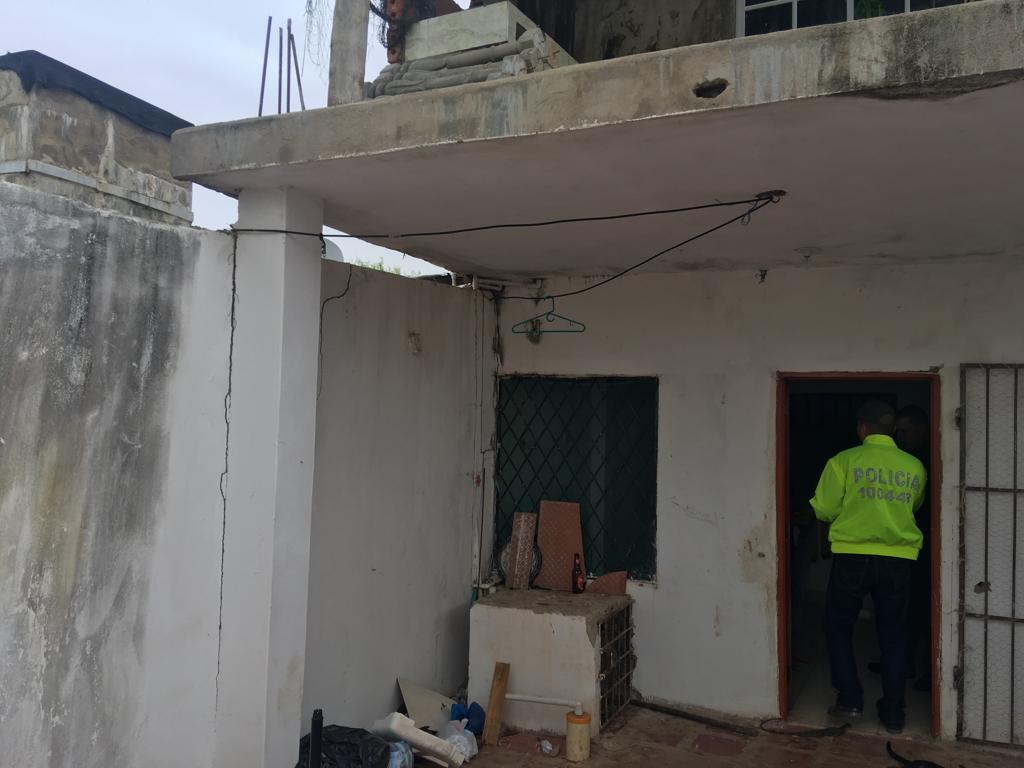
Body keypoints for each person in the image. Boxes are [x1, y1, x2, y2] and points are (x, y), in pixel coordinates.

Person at [809, 400, 926, 734]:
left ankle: (850, 699)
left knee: (838, 627)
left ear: (862, 428)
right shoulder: (915, 466)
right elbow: (915, 505)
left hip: (852, 557)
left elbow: (824, 510)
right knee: (894, 634)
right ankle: (894, 712)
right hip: (899, 559)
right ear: (893, 430)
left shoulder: (843, 461)